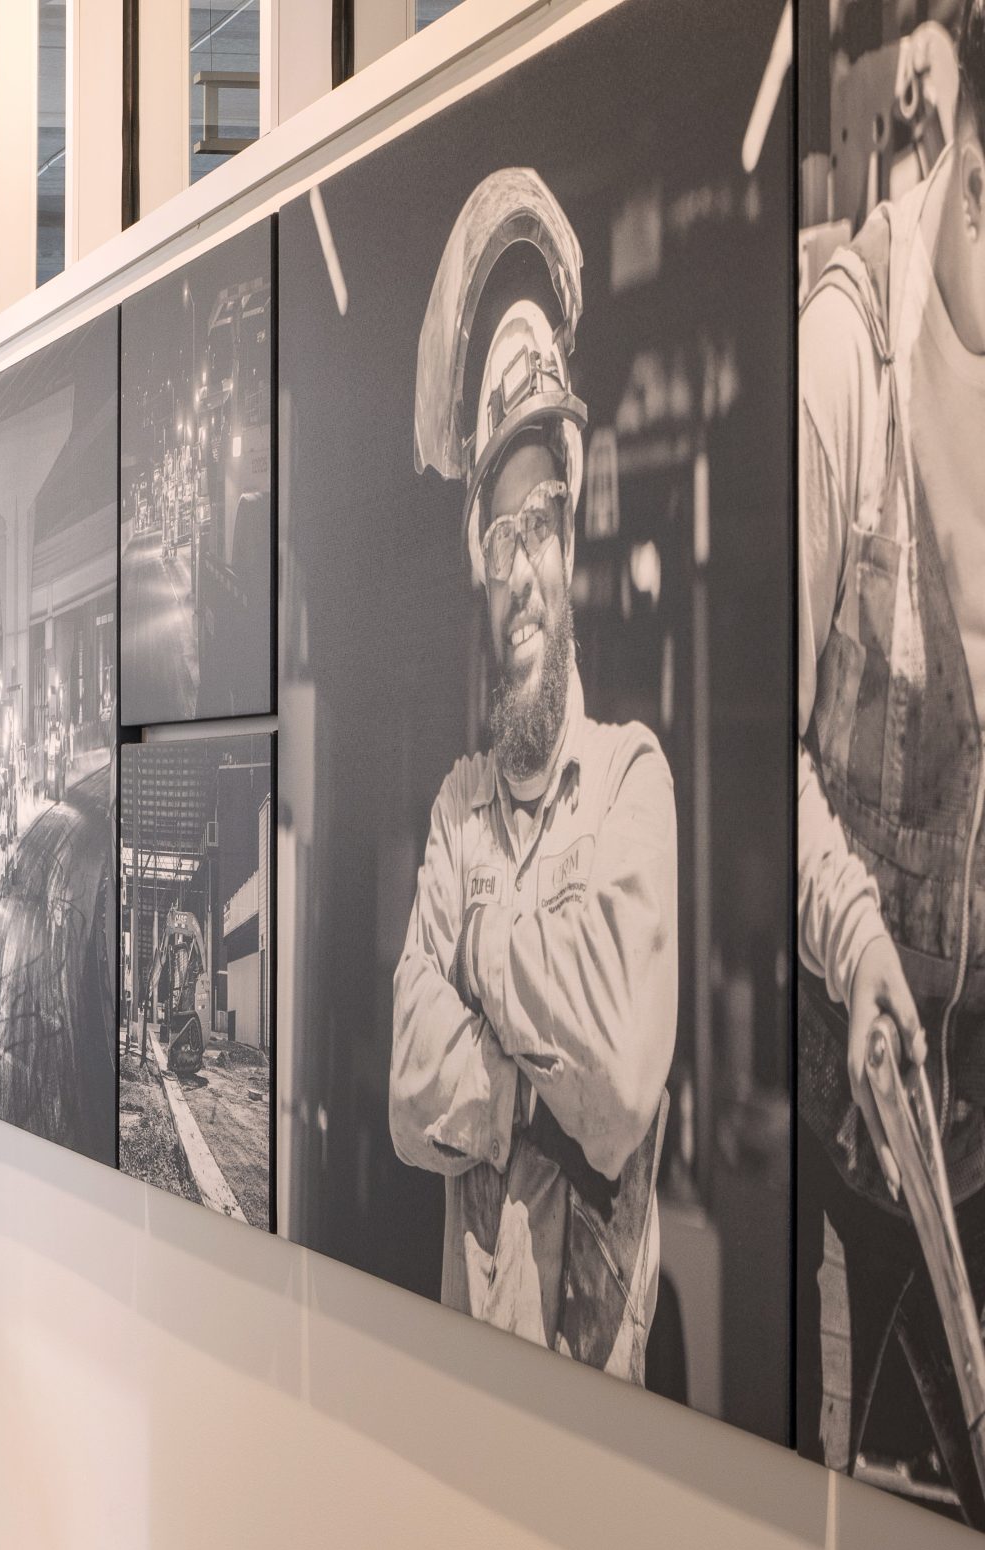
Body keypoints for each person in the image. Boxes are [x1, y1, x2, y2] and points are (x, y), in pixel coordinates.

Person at [385, 169, 680, 1374]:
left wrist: (483, 947)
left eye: (544, 526)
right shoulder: (457, 806)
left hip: (609, 1404)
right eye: (502, 534)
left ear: (573, 543)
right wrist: (526, 1093)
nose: (524, 570)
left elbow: (612, 1087)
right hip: (471, 1380)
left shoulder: (630, 782)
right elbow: (409, 1089)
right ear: (477, 559)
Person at [797, 0, 985, 1523]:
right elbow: (771, 757)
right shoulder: (842, 361)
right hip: (856, 1108)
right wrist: (857, 940)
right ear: (972, 177)